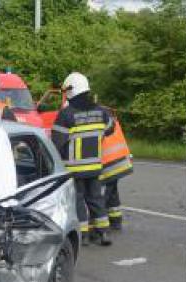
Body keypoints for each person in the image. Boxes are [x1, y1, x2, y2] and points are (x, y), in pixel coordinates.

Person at [51, 72, 114, 246]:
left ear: (71, 91)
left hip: (74, 169)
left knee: (78, 199)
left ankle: (83, 234)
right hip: (95, 166)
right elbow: (110, 129)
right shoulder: (101, 111)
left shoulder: (66, 114)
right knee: (96, 198)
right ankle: (104, 232)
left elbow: (56, 142)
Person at [100, 116, 133, 230]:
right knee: (112, 191)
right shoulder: (108, 117)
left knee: (101, 195)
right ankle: (116, 220)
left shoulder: (95, 118)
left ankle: (101, 225)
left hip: (108, 163)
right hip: (120, 160)